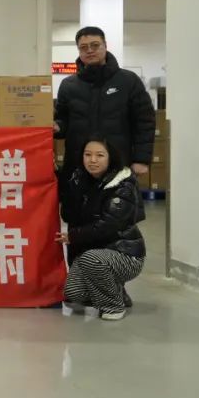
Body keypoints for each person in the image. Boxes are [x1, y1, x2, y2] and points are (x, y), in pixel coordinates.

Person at [56, 135, 146, 321]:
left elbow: (108, 226)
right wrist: (71, 190)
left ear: (111, 157)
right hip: (96, 252)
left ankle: (113, 306)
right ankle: (118, 292)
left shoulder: (123, 185)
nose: (93, 160)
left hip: (125, 254)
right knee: (74, 292)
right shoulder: (79, 179)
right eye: (87, 154)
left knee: (92, 260)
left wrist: (74, 236)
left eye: (100, 155)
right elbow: (68, 215)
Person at [53, 26, 156, 178]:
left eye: (95, 45)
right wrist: (57, 127)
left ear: (105, 46)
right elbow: (63, 121)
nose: (89, 50)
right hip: (78, 165)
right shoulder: (68, 85)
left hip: (118, 163)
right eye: (83, 47)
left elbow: (144, 121)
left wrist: (142, 159)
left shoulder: (128, 81)